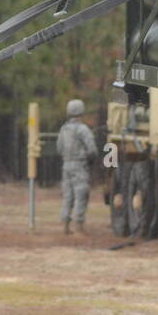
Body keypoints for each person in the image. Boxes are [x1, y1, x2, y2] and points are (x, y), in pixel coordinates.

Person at [56, 98, 98, 235]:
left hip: (66, 165)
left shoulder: (64, 129)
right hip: (80, 165)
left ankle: (65, 226)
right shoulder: (83, 129)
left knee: (68, 196)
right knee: (81, 194)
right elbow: (92, 149)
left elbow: (59, 148)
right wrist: (91, 160)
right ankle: (79, 226)